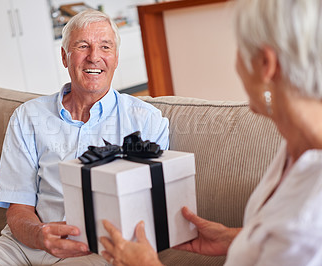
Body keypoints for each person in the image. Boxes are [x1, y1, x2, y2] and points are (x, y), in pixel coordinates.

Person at [0, 9, 169, 266]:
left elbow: (149, 210)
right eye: (82, 46)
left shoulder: (146, 121)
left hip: (95, 250)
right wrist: (39, 235)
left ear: (116, 57)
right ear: (65, 56)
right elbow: (19, 207)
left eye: (105, 47)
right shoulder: (28, 116)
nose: (94, 57)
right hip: (23, 245)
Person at [100, 0, 322, 265]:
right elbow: (280, 237)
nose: (236, 63)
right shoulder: (297, 142)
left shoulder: (310, 215)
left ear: (265, 64)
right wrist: (234, 237)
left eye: (240, 50)